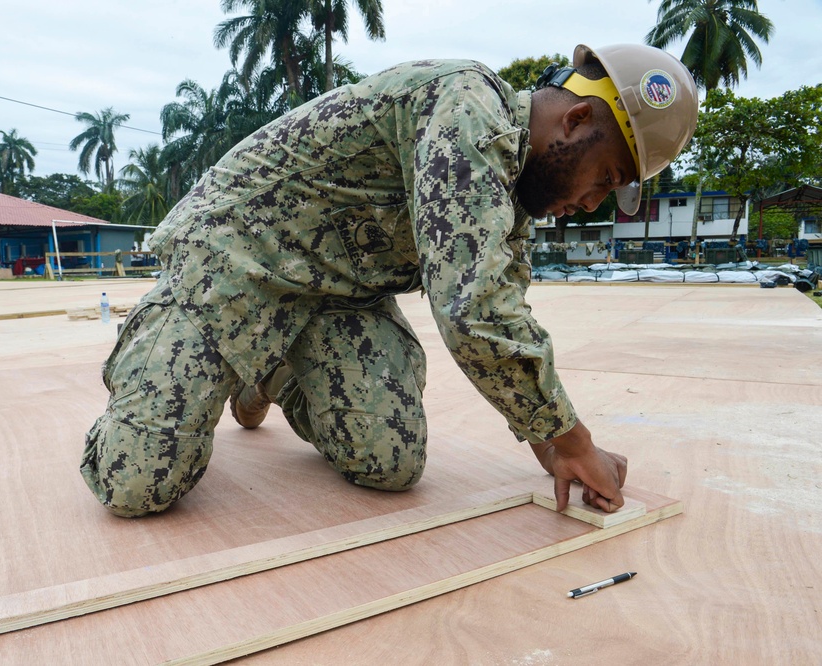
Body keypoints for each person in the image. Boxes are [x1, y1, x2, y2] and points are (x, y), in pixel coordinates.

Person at [81, 43, 698, 518]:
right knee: (138, 482)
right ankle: (183, 352)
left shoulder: (511, 198)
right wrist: (572, 438)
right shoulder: (468, 107)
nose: (592, 204)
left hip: (340, 297)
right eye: (605, 176)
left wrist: (550, 444)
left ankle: (270, 371)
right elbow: (473, 309)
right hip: (235, 262)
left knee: (390, 462)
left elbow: (502, 308)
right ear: (576, 121)